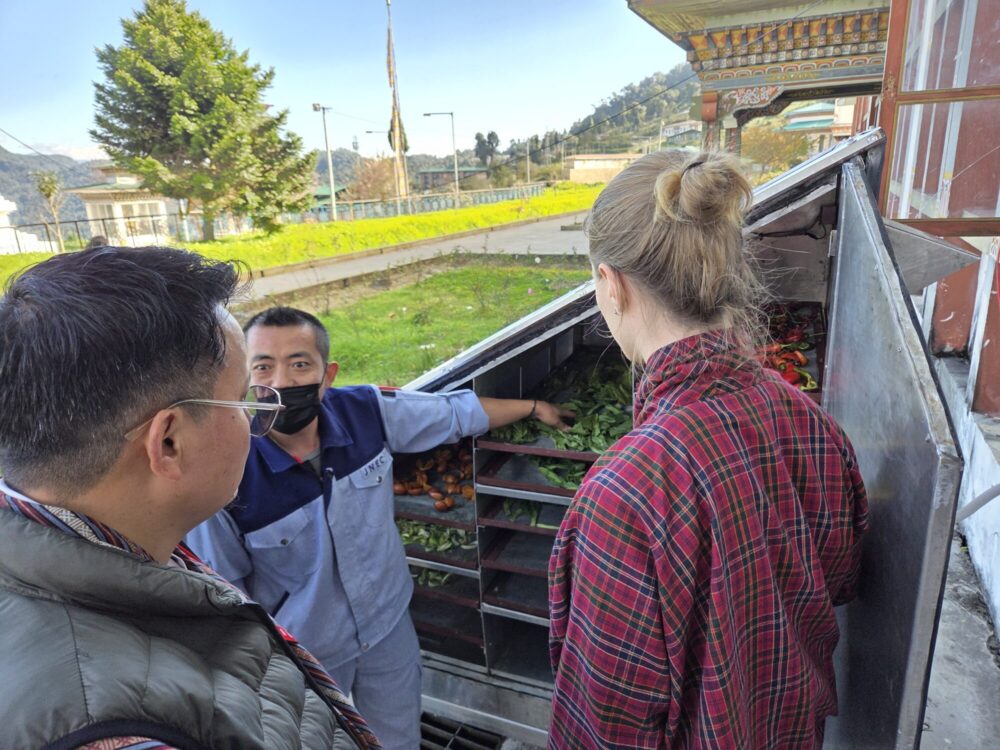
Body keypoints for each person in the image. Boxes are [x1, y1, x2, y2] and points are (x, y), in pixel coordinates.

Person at [547, 151, 870, 749]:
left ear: (611, 285)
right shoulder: (809, 419)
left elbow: (604, 727)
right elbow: (841, 581)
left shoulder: (621, 495)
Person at [0, 247, 380, 749]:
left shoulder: (125, 548)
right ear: (169, 443)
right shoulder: (123, 735)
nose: (256, 419)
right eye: (242, 399)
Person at [187, 306, 572, 750]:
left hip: (387, 628)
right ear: (245, 378)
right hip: (304, 654)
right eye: (263, 367)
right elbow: (226, 597)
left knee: (398, 739)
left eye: (299, 364)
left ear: (327, 375)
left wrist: (533, 407)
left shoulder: (365, 412)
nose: (282, 382)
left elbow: (453, 414)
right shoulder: (227, 474)